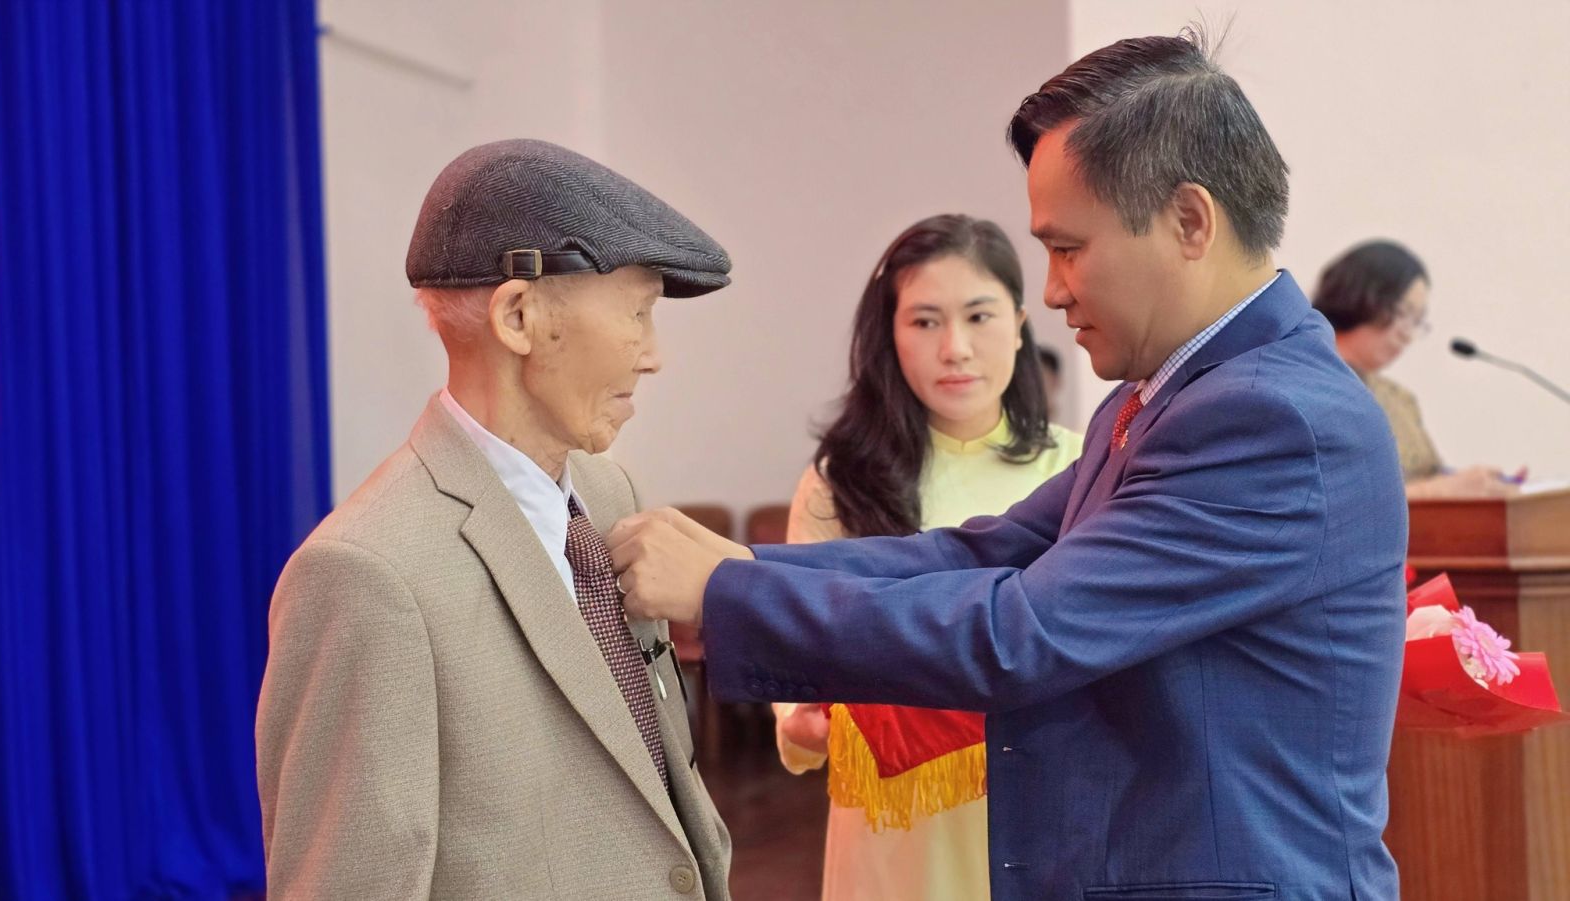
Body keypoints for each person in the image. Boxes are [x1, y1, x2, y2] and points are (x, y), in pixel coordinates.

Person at [611, 31, 1407, 901]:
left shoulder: (1270, 417)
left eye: (1069, 247)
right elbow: (985, 550)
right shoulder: (1169, 393)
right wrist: (739, 569)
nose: (1054, 289)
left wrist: (724, 593)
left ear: (1189, 221)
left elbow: (1018, 632)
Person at [256, 140, 733, 899]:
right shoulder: (365, 573)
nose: (653, 356)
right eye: (638, 312)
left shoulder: (609, 493)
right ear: (518, 316)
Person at [773, 214, 1083, 900]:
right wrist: (803, 722)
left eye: (979, 316)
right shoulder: (839, 483)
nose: (955, 349)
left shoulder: (1082, 467)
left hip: (1045, 803)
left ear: (1020, 324)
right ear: (890, 334)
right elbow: (798, 651)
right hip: (899, 829)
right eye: (924, 321)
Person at [1314, 240, 1516, 497]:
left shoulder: (1400, 399)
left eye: (1417, 321)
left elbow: (1430, 473)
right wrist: (1438, 491)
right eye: (1403, 312)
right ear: (1358, 295)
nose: (1407, 334)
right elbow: (1332, 499)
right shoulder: (1303, 388)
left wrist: (1471, 483)